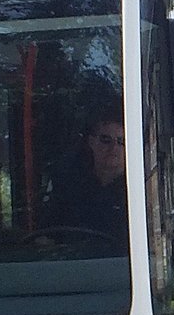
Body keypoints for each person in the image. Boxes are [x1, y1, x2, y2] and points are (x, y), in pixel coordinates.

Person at [38, 102, 128, 249]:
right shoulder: (69, 188)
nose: (114, 147)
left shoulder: (138, 192)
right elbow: (45, 235)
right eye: (106, 140)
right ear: (91, 142)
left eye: (122, 141)